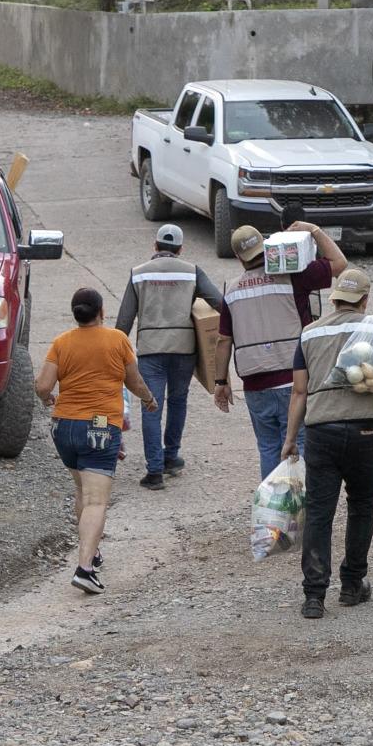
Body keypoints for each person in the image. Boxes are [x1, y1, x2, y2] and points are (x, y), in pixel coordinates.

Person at [280, 269, 373, 619]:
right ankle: (353, 585)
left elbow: (299, 391)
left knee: (320, 513)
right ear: (365, 300)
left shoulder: (310, 333)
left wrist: (290, 439)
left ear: (334, 298)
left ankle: (314, 596)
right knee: (362, 505)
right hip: (364, 431)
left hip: (321, 432)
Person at [37, 287, 159, 595]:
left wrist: (47, 397)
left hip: (63, 427)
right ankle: (84, 570)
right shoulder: (117, 339)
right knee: (96, 500)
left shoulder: (61, 343)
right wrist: (147, 399)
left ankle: (91, 551)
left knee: (82, 490)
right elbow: (134, 380)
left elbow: (43, 385)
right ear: (101, 312)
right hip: (100, 427)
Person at [213, 221, 348, 479]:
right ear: (265, 249)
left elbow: (223, 341)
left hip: (255, 386)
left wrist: (221, 381)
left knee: (268, 449)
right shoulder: (294, 275)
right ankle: (302, 510)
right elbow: (340, 264)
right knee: (300, 445)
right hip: (294, 380)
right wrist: (314, 231)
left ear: (239, 258)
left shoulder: (230, 291)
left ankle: (275, 512)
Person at [114, 224, 222, 490]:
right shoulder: (192, 271)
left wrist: (114, 353)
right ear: (180, 249)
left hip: (151, 350)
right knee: (178, 401)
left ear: (155, 246)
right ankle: (171, 457)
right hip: (184, 350)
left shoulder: (138, 274)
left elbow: (124, 321)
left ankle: (154, 472)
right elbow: (219, 302)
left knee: (152, 406)